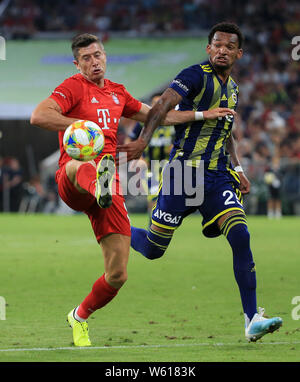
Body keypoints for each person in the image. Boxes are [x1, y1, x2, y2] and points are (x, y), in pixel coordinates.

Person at [30, 33, 232, 347]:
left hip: (109, 189)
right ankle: (100, 181)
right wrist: (82, 127)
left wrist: (202, 114)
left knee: (118, 275)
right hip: (74, 179)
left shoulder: (117, 93)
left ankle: (79, 316)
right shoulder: (73, 87)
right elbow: (40, 115)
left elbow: (159, 116)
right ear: (77, 63)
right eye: (86, 58)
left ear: (105, 56)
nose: (94, 62)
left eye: (97, 55)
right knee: (80, 164)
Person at [118, 22, 283, 342]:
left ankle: (251, 319)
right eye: (217, 45)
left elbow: (227, 132)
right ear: (209, 49)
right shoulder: (194, 75)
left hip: (218, 175)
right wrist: (141, 140)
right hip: (183, 174)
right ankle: (117, 223)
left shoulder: (233, 88)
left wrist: (238, 169)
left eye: (229, 46)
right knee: (153, 249)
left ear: (239, 53)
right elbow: (162, 106)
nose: (222, 50)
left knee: (241, 234)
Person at [127, 92, 175, 216]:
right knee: (153, 195)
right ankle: (153, 225)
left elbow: (184, 142)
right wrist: (139, 156)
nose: (159, 106)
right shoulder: (143, 123)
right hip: (150, 167)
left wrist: (175, 148)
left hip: (169, 167)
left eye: (162, 103)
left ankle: (159, 225)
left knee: (166, 199)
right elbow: (130, 140)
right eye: (155, 103)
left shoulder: (174, 123)